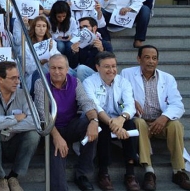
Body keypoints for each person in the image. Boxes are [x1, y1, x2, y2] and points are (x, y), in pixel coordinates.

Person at [121, 45, 190, 191]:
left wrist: (164, 117)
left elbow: (178, 104)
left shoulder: (167, 78)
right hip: (141, 123)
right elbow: (119, 97)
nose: (151, 61)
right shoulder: (126, 74)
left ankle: (179, 171)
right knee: (138, 122)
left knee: (176, 125)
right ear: (138, 59)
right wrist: (131, 101)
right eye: (147, 57)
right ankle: (149, 171)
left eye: (154, 58)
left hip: (160, 123)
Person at [34, 55, 99, 191]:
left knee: (91, 127)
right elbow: (42, 113)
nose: (57, 71)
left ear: (67, 69)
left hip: (70, 126)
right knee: (57, 169)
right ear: (48, 68)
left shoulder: (75, 82)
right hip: (50, 130)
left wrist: (94, 121)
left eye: (60, 68)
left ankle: (82, 174)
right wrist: (57, 137)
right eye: (53, 68)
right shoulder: (41, 83)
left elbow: (86, 102)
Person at [82, 52, 140, 191]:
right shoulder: (89, 82)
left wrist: (121, 119)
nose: (111, 70)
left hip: (118, 118)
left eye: (114, 66)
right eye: (107, 66)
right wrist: (112, 124)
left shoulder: (123, 82)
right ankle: (103, 172)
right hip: (98, 117)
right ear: (97, 67)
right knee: (103, 128)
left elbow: (130, 105)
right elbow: (95, 106)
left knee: (131, 124)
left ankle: (130, 173)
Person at [0, 61, 39, 191]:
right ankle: (1, 178)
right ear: (0, 79)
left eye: (18, 77)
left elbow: (34, 121)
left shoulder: (23, 94)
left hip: (14, 142)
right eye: (13, 78)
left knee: (34, 135)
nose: (17, 82)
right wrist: (15, 118)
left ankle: (14, 177)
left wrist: (5, 126)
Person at [70, 17, 113, 81]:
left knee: (81, 68)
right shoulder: (79, 43)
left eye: (85, 27)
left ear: (94, 28)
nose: (83, 30)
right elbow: (73, 65)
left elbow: (110, 64)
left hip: (98, 76)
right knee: (65, 69)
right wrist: (74, 52)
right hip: (81, 73)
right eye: (81, 28)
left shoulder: (105, 44)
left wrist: (102, 51)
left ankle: (83, 90)